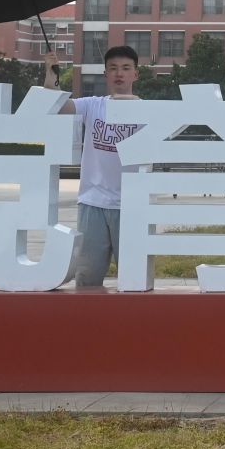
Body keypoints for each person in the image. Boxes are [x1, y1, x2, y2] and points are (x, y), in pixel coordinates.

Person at [67, 45, 150, 290]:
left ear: (136, 74)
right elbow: (58, 107)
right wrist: (51, 79)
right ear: (105, 74)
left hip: (132, 205)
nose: (119, 73)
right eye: (113, 68)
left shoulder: (148, 111)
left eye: (125, 68)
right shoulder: (92, 105)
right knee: (88, 278)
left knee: (134, 280)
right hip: (93, 203)